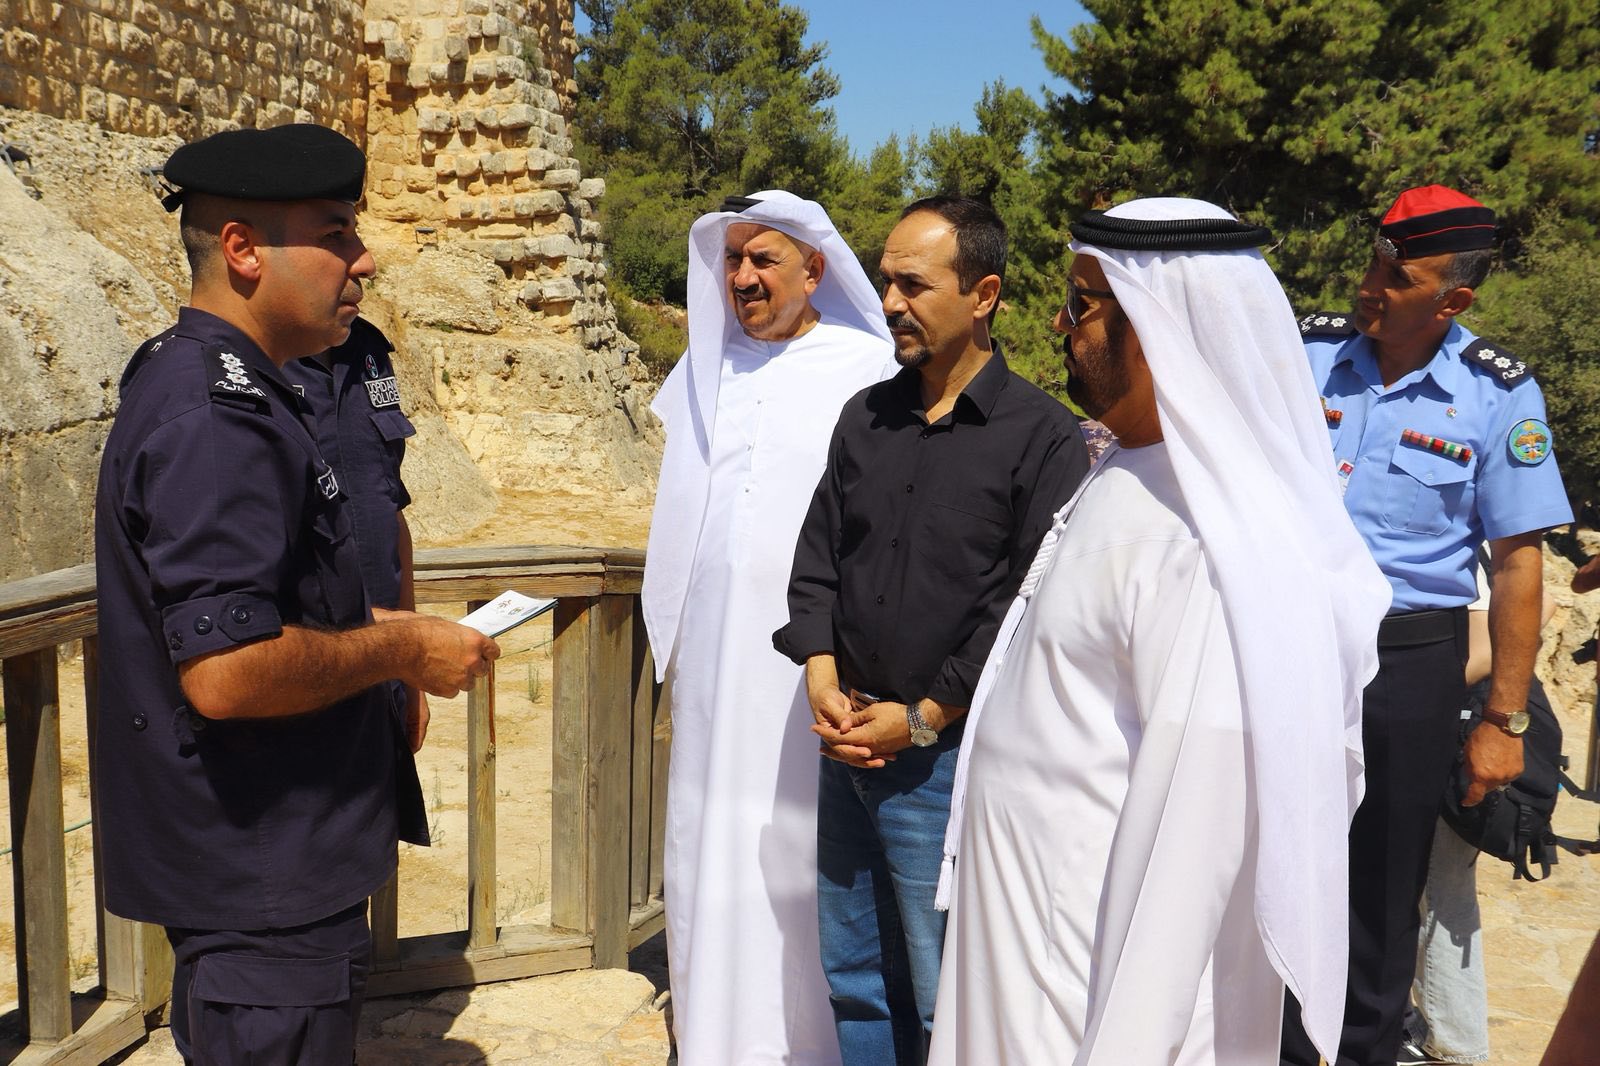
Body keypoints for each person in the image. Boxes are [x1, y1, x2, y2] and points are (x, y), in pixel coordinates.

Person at [926, 197, 1390, 1065]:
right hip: (1032, 946)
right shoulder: (1131, 470)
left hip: (1091, 982)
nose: (1061, 325)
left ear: (1152, 326)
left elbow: (1195, 843)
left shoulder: (1208, 537)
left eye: (1082, 304)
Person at [93, 123, 499, 1064]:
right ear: (242, 249)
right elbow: (228, 672)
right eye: (334, 233)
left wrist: (382, 628)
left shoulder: (228, 383)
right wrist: (403, 649)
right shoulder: (217, 415)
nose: (365, 259)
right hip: (260, 882)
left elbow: (272, 603)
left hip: (271, 866)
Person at [772, 195, 1090, 1065]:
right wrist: (822, 674)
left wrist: (922, 719)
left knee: (945, 988)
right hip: (847, 744)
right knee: (855, 976)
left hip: (948, 766)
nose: (889, 303)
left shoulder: (1042, 439)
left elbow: (1025, 607)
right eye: (886, 281)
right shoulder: (863, 418)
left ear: (983, 295)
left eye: (913, 284)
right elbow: (818, 558)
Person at [1281, 184, 1574, 1066]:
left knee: (1380, 892)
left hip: (1406, 666)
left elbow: (1518, 565)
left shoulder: (1497, 393)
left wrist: (1504, 721)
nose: (1369, 286)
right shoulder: (1303, 352)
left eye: (1397, 277)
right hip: (1285, 651)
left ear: (1454, 299)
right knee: (1268, 868)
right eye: (1372, 263)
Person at [640, 190, 894, 1065]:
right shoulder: (706, 368)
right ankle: (714, 1034)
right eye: (733, 260)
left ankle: (808, 1043)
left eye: (764, 260)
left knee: (800, 839)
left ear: (814, 270)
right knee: (710, 831)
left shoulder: (866, 368)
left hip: (814, 662)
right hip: (715, 654)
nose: (743, 278)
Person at [283, 319, 431, 859]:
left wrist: (411, 674)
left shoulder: (368, 351)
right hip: (300, 679)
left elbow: (390, 511)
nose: (364, 276)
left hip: (379, 670)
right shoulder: (256, 357)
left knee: (369, 856)